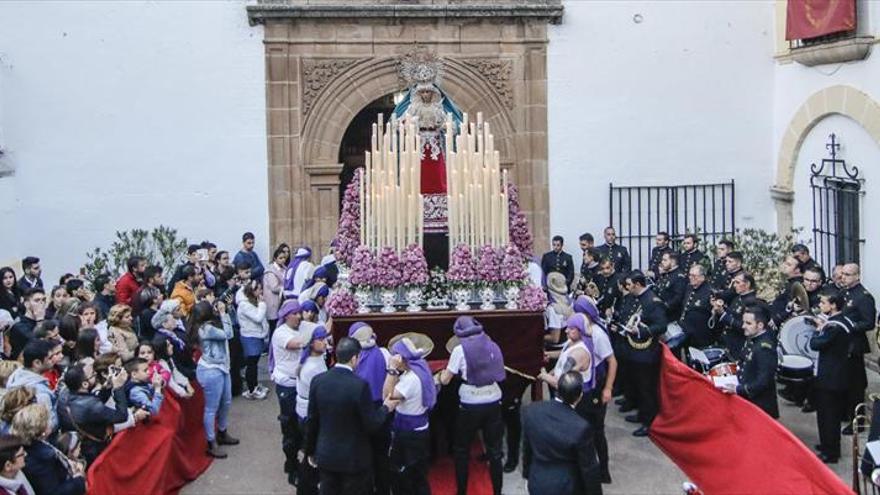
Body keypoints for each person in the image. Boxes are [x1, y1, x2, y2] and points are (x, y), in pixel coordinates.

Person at [304, 337, 397, 495]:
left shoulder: (318, 381)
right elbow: (371, 423)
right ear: (355, 358)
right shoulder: (359, 386)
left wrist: (310, 450)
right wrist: (385, 408)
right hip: (353, 459)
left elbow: (312, 420)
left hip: (326, 455)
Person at [438, 316, 505, 495]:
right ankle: (498, 491)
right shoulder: (492, 345)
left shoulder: (460, 350)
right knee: (495, 451)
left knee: (461, 449)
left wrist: (442, 373)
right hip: (493, 399)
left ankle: (461, 491)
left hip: (470, 403)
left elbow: (445, 380)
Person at [522, 371, 602, 495]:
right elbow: (589, 468)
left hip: (537, 479)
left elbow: (527, 448)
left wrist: (527, 474)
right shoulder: (581, 427)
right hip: (566, 486)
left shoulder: (532, 411)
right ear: (580, 396)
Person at [383, 338, 436, 495]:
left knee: (407, 475)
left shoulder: (411, 380)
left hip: (409, 433)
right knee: (418, 473)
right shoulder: (421, 368)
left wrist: (392, 370)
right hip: (420, 429)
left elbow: (387, 396)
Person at [620, 271, 667, 437]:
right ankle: (641, 414)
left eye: (630, 284)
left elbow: (661, 325)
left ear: (638, 284)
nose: (627, 287)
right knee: (638, 385)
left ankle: (649, 422)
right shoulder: (638, 299)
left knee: (646, 387)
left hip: (647, 351)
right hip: (635, 349)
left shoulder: (652, 301)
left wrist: (641, 331)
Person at [347, 322, 392, 495]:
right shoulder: (384, 353)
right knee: (382, 453)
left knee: (364, 453)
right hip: (381, 408)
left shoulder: (353, 357)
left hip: (361, 410)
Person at [191, 301, 240, 458]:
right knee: (211, 408)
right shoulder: (206, 329)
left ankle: (222, 431)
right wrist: (224, 313)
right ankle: (211, 442)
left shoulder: (206, 326)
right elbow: (228, 334)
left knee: (226, 401)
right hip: (211, 370)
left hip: (221, 367)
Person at [809, 290, 853, 464]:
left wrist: (818, 330)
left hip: (831, 377)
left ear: (833, 305)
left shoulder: (833, 326)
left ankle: (831, 451)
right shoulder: (843, 321)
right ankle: (827, 444)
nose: (820, 305)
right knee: (828, 414)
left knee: (828, 416)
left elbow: (815, 344)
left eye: (823, 302)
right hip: (837, 374)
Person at [57, 362, 130, 464]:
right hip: (96, 450)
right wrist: (118, 388)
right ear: (85, 384)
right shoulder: (91, 406)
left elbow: (93, 402)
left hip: (85, 444)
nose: (95, 374)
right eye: (93, 374)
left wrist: (107, 387)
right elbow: (122, 416)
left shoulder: (67, 394)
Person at [716, 305, 778, 419]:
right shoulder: (753, 339)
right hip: (749, 402)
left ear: (760, 325)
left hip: (759, 407)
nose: (743, 326)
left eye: (748, 323)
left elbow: (763, 382)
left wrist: (737, 389)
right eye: (744, 322)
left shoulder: (764, 348)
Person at [270, 299, 308, 484]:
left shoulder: (301, 328)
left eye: (300, 313)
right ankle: (291, 466)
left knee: (301, 425)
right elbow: (297, 344)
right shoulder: (280, 333)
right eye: (295, 314)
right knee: (290, 425)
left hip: (300, 384)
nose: (299, 317)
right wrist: (314, 335)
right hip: (287, 385)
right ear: (286, 316)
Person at [11, 404, 85, 495]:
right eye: (47, 420)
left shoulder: (30, 445)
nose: (50, 422)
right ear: (40, 430)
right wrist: (78, 480)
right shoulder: (42, 460)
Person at [839, 263, 876, 434]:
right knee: (845, 381)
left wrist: (848, 326)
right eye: (843, 274)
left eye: (847, 274)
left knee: (856, 385)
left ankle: (858, 421)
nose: (843, 277)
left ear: (857, 276)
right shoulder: (845, 293)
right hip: (843, 343)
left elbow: (868, 323)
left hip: (855, 345)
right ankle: (847, 414)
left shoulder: (863, 297)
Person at [295, 326, 329, 495]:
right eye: (321, 339)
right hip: (310, 416)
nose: (325, 342)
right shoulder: (312, 367)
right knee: (312, 456)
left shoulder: (313, 360)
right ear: (311, 343)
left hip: (306, 413)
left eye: (325, 338)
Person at [7, 340, 62, 432]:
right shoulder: (41, 393)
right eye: (50, 358)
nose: (53, 360)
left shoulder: (15, 376)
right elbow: (48, 424)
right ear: (37, 363)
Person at [710, 272, 760, 360]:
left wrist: (723, 314)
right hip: (727, 343)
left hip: (737, 346)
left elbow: (745, 327)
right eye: (734, 283)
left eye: (737, 283)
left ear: (747, 284)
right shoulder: (737, 297)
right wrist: (719, 309)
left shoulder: (752, 302)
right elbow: (731, 313)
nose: (734, 286)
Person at [237, 280, 269, 400]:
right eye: (259, 289)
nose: (261, 292)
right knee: (252, 364)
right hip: (250, 336)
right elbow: (258, 317)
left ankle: (255, 385)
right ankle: (251, 390)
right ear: (252, 291)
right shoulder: (244, 305)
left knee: (254, 363)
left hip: (256, 335)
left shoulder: (252, 301)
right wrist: (262, 304)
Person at [679, 265, 714, 349]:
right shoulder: (689, 287)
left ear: (702, 277)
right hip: (687, 331)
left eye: (694, 276)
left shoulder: (709, 293)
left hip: (700, 336)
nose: (690, 277)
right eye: (690, 275)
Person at [9, 289, 46, 361]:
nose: (41, 303)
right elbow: (38, 344)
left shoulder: (46, 321)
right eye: (37, 300)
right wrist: (39, 319)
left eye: (43, 300)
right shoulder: (19, 326)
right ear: (26, 304)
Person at [769, 255, 804, 327]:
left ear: (797, 270)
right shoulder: (791, 283)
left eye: (789, 265)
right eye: (785, 263)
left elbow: (793, 307)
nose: (784, 266)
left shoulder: (797, 285)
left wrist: (776, 319)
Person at [654, 252, 688, 321]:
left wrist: (664, 306)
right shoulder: (666, 274)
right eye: (662, 260)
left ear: (673, 262)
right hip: (659, 312)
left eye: (665, 260)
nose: (662, 262)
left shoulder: (679, 276)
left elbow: (678, 298)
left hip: (670, 315)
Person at [263, 246, 287, 332]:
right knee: (273, 326)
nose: (283, 260)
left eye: (284, 258)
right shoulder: (270, 271)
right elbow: (274, 287)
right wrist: (285, 288)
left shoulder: (284, 268)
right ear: (275, 258)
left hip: (281, 301)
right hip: (273, 302)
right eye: (280, 258)